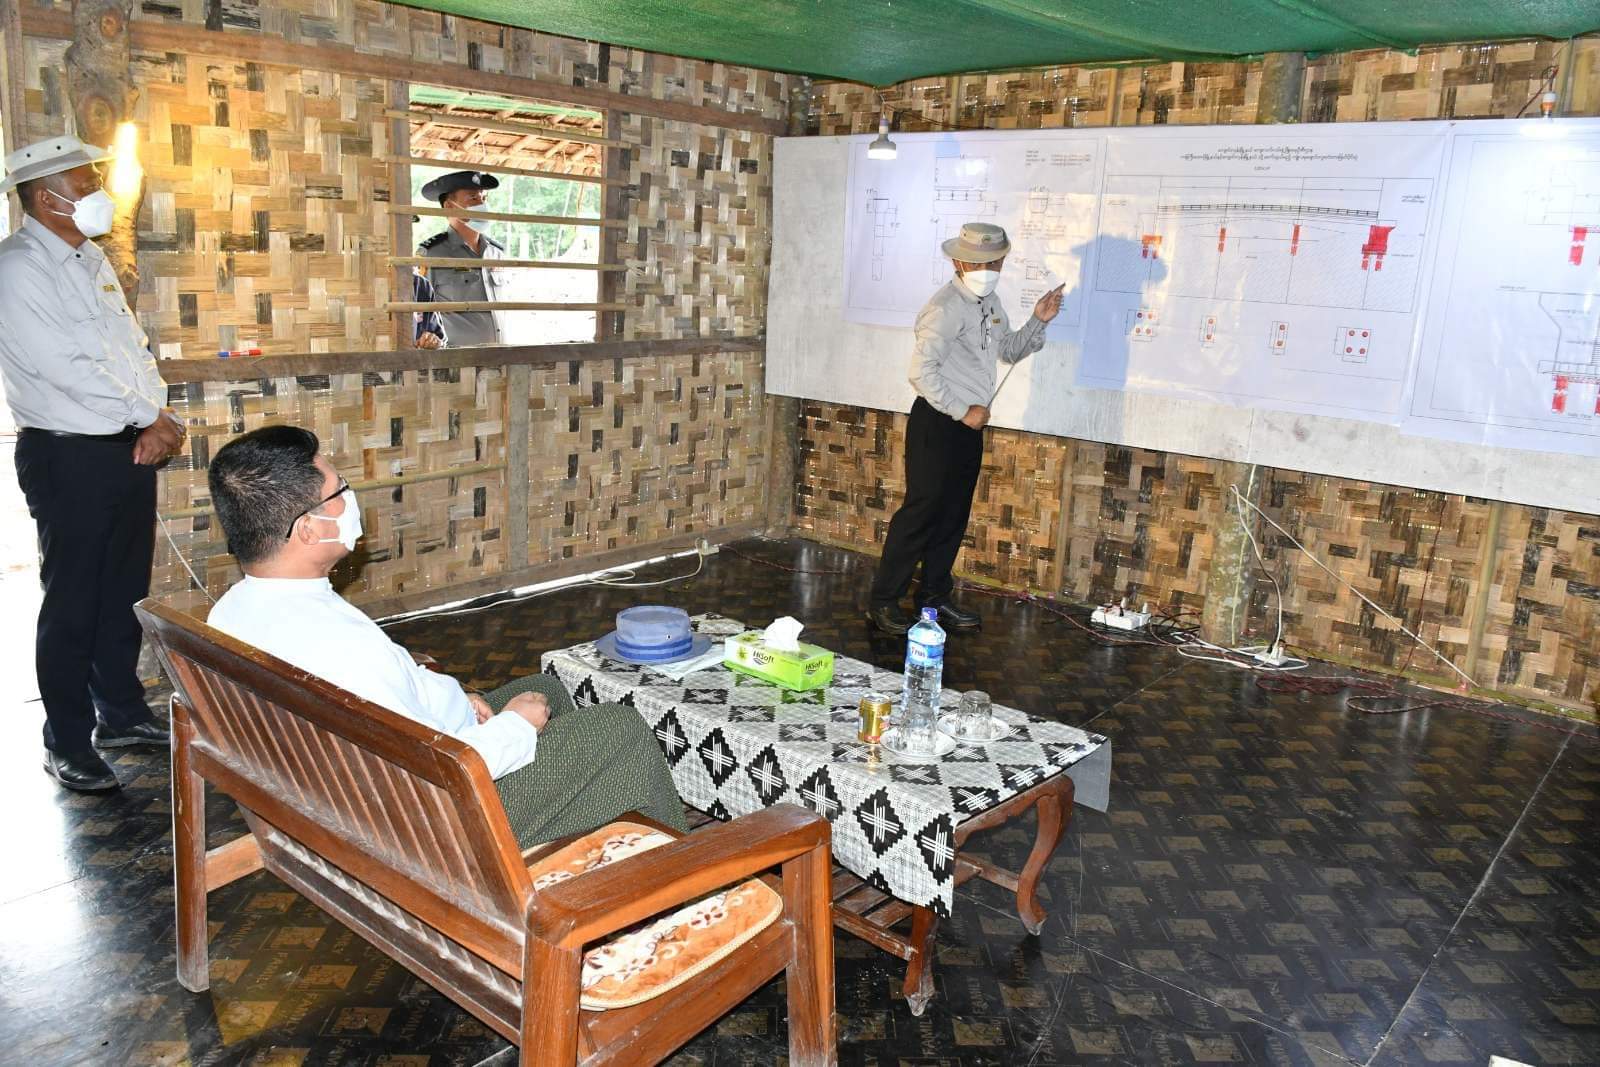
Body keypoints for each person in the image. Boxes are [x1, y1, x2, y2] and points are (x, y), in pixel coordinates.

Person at [204, 425, 688, 848]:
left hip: (343, 794)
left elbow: (389, 698)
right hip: (430, 828)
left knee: (549, 691)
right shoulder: (343, 649)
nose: (350, 499)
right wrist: (513, 727)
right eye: (340, 490)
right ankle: (682, 884)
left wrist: (454, 698)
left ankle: (595, 843)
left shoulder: (233, 613)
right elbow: (431, 773)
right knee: (618, 730)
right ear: (309, 530)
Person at [0, 135, 184, 793]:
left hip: (124, 444)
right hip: (68, 453)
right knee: (74, 601)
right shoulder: (18, 267)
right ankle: (67, 740)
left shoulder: (90, 257)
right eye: (86, 186)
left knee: (122, 592)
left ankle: (122, 714)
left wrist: (153, 414)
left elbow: (131, 346)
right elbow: (64, 367)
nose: (98, 196)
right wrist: (147, 417)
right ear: (47, 199)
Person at [866, 222, 1064, 636]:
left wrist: (1038, 320)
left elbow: (1008, 350)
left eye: (994, 262)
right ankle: (883, 601)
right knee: (921, 514)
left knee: (953, 514)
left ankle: (933, 598)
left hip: (967, 426)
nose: (987, 270)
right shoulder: (944, 309)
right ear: (959, 261)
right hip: (938, 422)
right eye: (978, 262)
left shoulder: (989, 302)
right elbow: (921, 373)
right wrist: (962, 411)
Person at [415, 170, 506, 347]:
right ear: (450, 207)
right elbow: (419, 311)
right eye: (473, 198)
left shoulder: (496, 253)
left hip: (501, 354)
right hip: (456, 358)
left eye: (483, 198)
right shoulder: (432, 254)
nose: (482, 204)